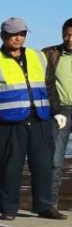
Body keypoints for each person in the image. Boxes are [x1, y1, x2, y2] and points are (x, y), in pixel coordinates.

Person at [0, 17, 64, 221]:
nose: (19, 38)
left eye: (22, 34)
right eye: (14, 34)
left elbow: (49, 86)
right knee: (10, 166)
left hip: (41, 119)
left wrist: (56, 111)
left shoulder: (38, 56)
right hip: (9, 123)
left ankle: (45, 206)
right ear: (3, 36)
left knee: (43, 165)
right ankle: (8, 209)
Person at [42, 18, 72, 211]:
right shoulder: (50, 54)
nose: (69, 38)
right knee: (54, 160)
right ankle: (49, 205)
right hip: (60, 111)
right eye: (67, 34)